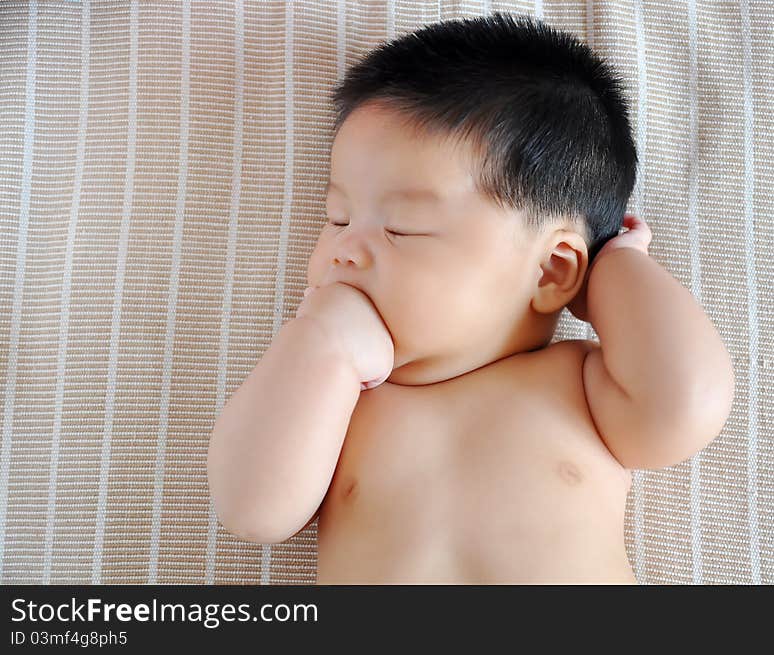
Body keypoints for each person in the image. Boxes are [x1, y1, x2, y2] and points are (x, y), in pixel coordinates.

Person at [207, 12, 735, 584]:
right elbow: (252, 509)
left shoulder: (581, 386)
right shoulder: (336, 404)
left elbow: (686, 404)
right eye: (336, 218)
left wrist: (616, 269)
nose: (345, 251)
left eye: (403, 226)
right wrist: (319, 342)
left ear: (554, 269)